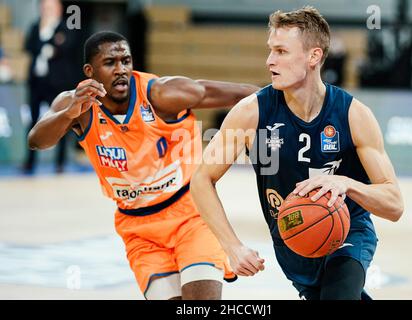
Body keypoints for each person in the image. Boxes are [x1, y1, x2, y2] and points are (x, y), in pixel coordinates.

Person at [191, 6, 404, 300]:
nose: (269, 61)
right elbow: (201, 179)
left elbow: (394, 204)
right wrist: (232, 246)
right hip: (293, 237)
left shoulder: (353, 115)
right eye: (271, 50)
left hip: (346, 230)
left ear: (313, 56)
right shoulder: (251, 112)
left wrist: (346, 183)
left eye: (281, 51)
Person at [28, 31, 259, 300]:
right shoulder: (76, 104)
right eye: (110, 62)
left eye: (126, 60)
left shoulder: (161, 94)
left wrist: (284, 97)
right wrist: (70, 112)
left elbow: (242, 96)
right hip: (138, 229)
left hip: (189, 214)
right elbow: (36, 141)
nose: (121, 70)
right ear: (90, 71)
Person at [24, 0, 80, 174]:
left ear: (58, 9)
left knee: (60, 119)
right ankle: (30, 162)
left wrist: (50, 44)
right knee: (32, 121)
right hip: (37, 82)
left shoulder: (66, 27)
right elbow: (29, 46)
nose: (46, 10)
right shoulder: (36, 27)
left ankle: (60, 163)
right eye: (44, 7)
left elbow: (66, 48)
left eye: (50, 7)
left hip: (57, 83)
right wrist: (49, 41)